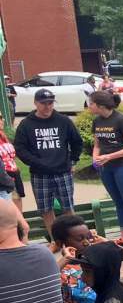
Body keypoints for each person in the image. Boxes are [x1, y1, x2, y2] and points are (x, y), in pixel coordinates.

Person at [13, 88, 83, 232]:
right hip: (40, 174)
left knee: (68, 207)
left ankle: (73, 239)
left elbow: (77, 141)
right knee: (45, 209)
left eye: (50, 103)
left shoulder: (63, 121)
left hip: (62, 171)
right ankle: (55, 240)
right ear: (35, 103)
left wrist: (72, 161)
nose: (47, 106)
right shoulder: (26, 124)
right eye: (44, 103)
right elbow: (20, 148)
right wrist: (35, 162)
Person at [88, 91, 123, 253]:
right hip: (106, 169)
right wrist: (95, 158)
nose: (89, 106)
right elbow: (97, 144)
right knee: (118, 203)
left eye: (91, 103)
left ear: (100, 105)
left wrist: (109, 156)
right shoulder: (96, 121)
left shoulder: (122, 120)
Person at [0, 127, 26, 214]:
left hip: (14, 173)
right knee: (8, 214)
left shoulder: (4, 137)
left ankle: (19, 226)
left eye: (1, 118)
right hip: (4, 178)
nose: (2, 120)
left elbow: (11, 156)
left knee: (18, 208)